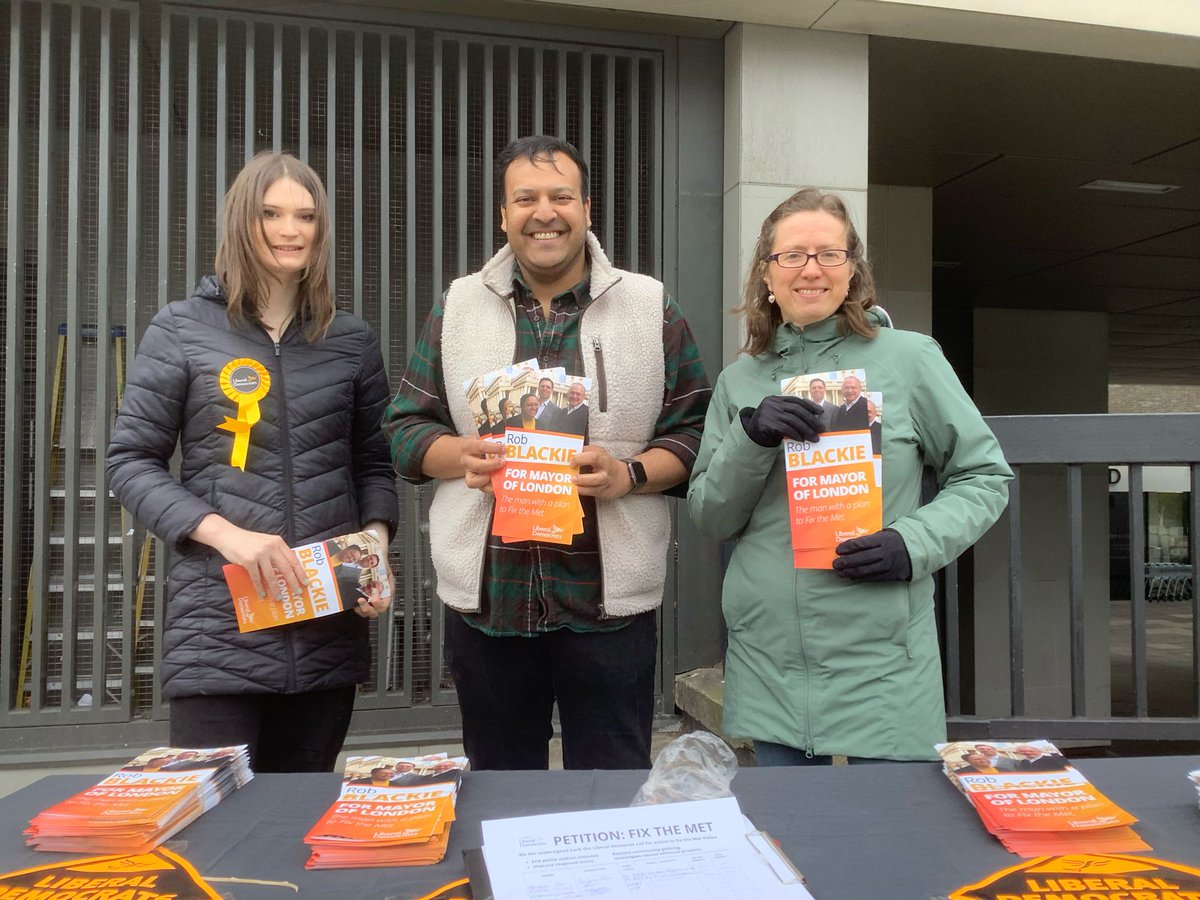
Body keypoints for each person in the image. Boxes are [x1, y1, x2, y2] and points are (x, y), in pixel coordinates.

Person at [384, 134, 710, 771]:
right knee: (503, 796)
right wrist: (459, 456)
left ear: (587, 208)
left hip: (607, 604)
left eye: (561, 196)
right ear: (504, 216)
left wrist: (629, 474)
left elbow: (696, 432)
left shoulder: (649, 305)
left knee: (613, 795)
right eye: (525, 198)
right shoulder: (458, 305)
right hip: (488, 606)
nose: (544, 212)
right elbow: (404, 428)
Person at [687, 187, 1011, 766]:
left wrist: (912, 544)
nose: (811, 269)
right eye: (792, 255)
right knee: (793, 840)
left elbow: (983, 476)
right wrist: (751, 439)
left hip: (881, 653)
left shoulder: (911, 358)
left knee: (884, 839)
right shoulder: (740, 381)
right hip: (770, 654)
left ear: (853, 270)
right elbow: (711, 516)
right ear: (766, 273)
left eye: (829, 254)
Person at [106, 151, 398, 773]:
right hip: (217, 629)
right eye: (271, 214)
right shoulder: (182, 328)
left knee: (296, 824)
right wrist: (229, 538)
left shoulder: (350, 339)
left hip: (324, 624)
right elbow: (130, 462)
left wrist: (374, 549)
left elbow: (374, 462)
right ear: (243, 221)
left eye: (305, 216)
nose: (290, 230)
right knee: (212, 832)